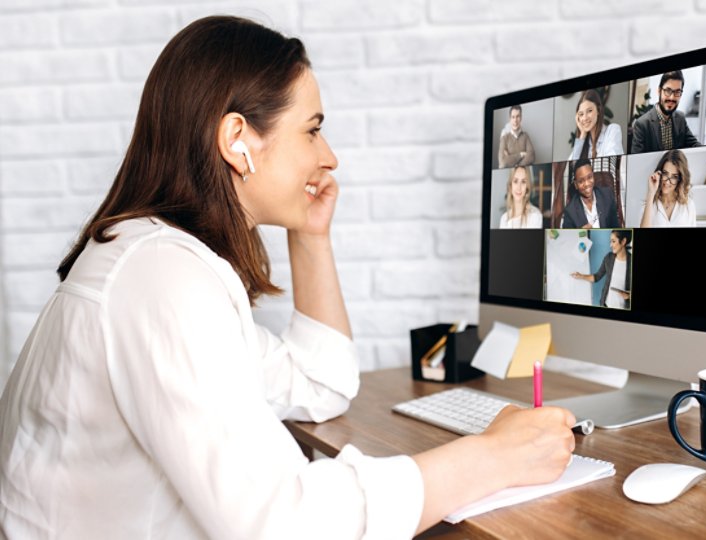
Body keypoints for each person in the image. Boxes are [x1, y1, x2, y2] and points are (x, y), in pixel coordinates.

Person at [0, 16, 576, 539]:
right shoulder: (160, 278)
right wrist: (495, 458)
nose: (329, 157)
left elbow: (323, 384)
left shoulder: (157, 257)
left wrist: (311, 232)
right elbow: (282, 524)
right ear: (237, 141)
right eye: (311, 130)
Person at [630, 71, 701, 154]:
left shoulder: (680, 118)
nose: (672, 97)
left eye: (677, 92)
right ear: (659, 91)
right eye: (668, 91)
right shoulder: (642, 124)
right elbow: (637, 160)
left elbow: (694, 144)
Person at [570, 229, 632, 309]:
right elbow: (597, 277)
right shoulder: (609, 258)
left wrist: (629, 296)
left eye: (613, 241)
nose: (610, 245)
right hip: (605, 305)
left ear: (623, 241)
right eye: (610, 241)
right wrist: (581, 276)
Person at [639, 149, 698, 227]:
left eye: (674, 177)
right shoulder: (649, 204)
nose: (667, 182)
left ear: (680, 179)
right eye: (665, 173)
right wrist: (651, 192)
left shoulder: (689, 205)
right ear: (659, 173)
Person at [561, 158, 621, 229]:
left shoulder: (607, 195)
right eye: (581, 181)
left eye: (589, 177)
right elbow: (570, 237)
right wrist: (580, 232)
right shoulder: (570, 212)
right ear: (576, 185)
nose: (587, 184)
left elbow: (616, 227)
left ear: (593, 176)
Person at [567, 89, 623, 160]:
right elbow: (571, 166)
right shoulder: (585, 142)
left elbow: (611, 163)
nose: (585, 118)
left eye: (589, 111)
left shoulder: (613, 130)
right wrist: (583, 134)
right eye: (581, 114)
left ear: (598, 110)